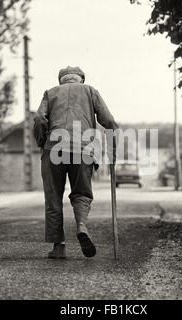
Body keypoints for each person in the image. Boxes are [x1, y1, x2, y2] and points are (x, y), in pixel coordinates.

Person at [33, 66, 118, 259]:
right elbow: (110, 122)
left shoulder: (50, 92)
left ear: (61, 80)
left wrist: (41, 141)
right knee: (82, 193)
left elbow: (39, 118)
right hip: (83, 150)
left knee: (54, 196)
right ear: (81, 79)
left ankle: (59, 247)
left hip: (54, 148)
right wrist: (112, 151)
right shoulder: (90, 91)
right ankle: (81, 226)